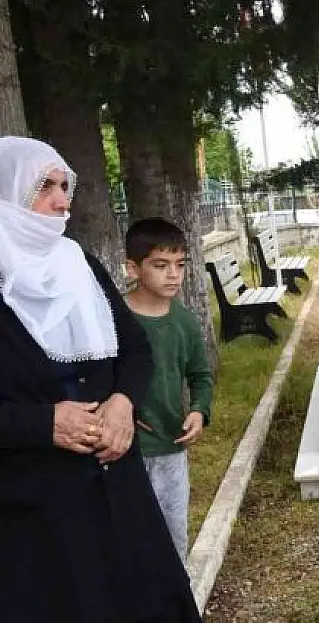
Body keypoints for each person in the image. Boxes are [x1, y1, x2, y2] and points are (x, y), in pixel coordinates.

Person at [0, 137, 202, 622]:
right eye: (44, 186)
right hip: (33, 510)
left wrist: (123, 403)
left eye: (65, 186)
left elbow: (133, 348)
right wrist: (42, 423)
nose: (62, 200)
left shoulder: (78, 263)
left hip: (116, 486)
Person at [124, 217, 214, 564]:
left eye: (180, 265)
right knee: (129, 537)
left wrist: (198, 411)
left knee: (173, 534)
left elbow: (201, 375)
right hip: (122, 452)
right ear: (134, 268)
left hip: (170, 449)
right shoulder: (113, 317)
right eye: (161, 265)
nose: (173, 274)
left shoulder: (184, 321)